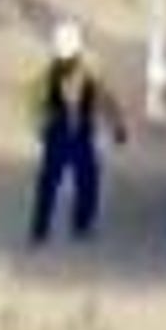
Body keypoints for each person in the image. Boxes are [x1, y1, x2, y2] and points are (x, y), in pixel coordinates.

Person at [29, 20, 127, 245]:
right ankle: (47, 227)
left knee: (80, 181)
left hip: (73, 135)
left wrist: (117, 125)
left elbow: (105, 100)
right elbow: (36, 104)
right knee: (64, 182)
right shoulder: (57, 76)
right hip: (65, 134)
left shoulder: (76, 75)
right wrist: (117, 126)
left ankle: (63, 226)